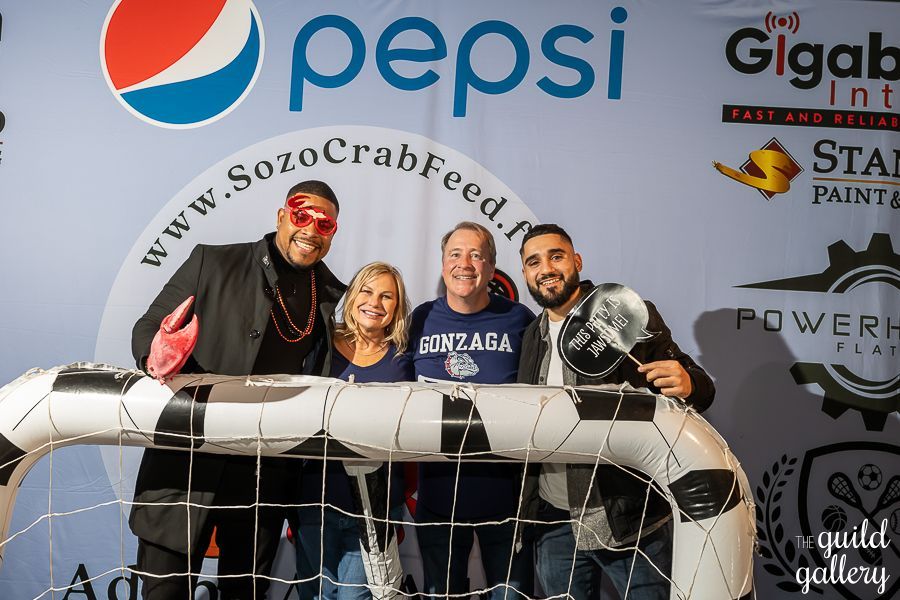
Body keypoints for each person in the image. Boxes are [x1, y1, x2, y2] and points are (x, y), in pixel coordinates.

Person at [130, 180, 346, 599]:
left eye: (325, 224)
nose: (310, 229)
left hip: (262, 480)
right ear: (282, 216)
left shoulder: (330, 296)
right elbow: (148, 327)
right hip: (183, 468)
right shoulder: (212, 260)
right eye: (301, 215)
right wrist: (158, 353)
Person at [517, 223, 715, 600]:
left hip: (628, 520)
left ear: (577, 261)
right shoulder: (532, 335)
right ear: (525, 273)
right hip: (554, 523)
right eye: (534, 262)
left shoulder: (623, 314)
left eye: (556, 257)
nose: (546, 269)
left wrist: (689, 383)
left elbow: (698, 386)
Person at [407, 222, 536, 599]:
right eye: (455, 254)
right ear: (443, 264)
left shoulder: (520, 319)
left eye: (476, 255)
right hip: (438, 499)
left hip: (507, 501)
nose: (464, 263)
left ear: (492, 268)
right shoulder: (419, 320)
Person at [295, 262, 413, 600]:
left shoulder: (404, 359)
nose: (374, 302)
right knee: (315, 594)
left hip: (376, 507)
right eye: (367, 291)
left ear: (397, 307)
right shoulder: (321, 343)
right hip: (315, 498)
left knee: (355, 597)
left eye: (386, 296)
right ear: (352, 295)